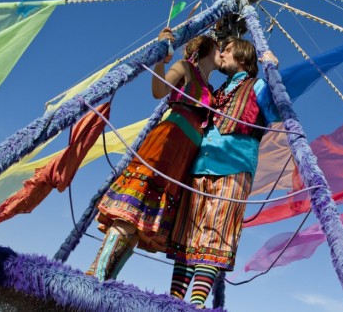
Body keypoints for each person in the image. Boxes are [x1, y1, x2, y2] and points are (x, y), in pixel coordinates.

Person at [86, 27, 220, 281]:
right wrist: (161, 59)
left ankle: (105, 277)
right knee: (134, 208)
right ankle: (96, 275)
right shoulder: (185, 67)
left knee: (143, 220)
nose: (221, 52)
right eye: (218, 48)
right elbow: (159, 90)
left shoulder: (211, 86)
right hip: (166, 144)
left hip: (184, 154)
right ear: (206, 49)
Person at [166, 37, 279, 308]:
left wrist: (274, 71)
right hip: (199, 165)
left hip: (233, 167)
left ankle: (195, 304)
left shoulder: (258, 85)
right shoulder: (215, 90)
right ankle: (171, 301)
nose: (222, 54)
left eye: (227, 50)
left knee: (215, 234)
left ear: (241, 55)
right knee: (186, 235)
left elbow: (276, 111)